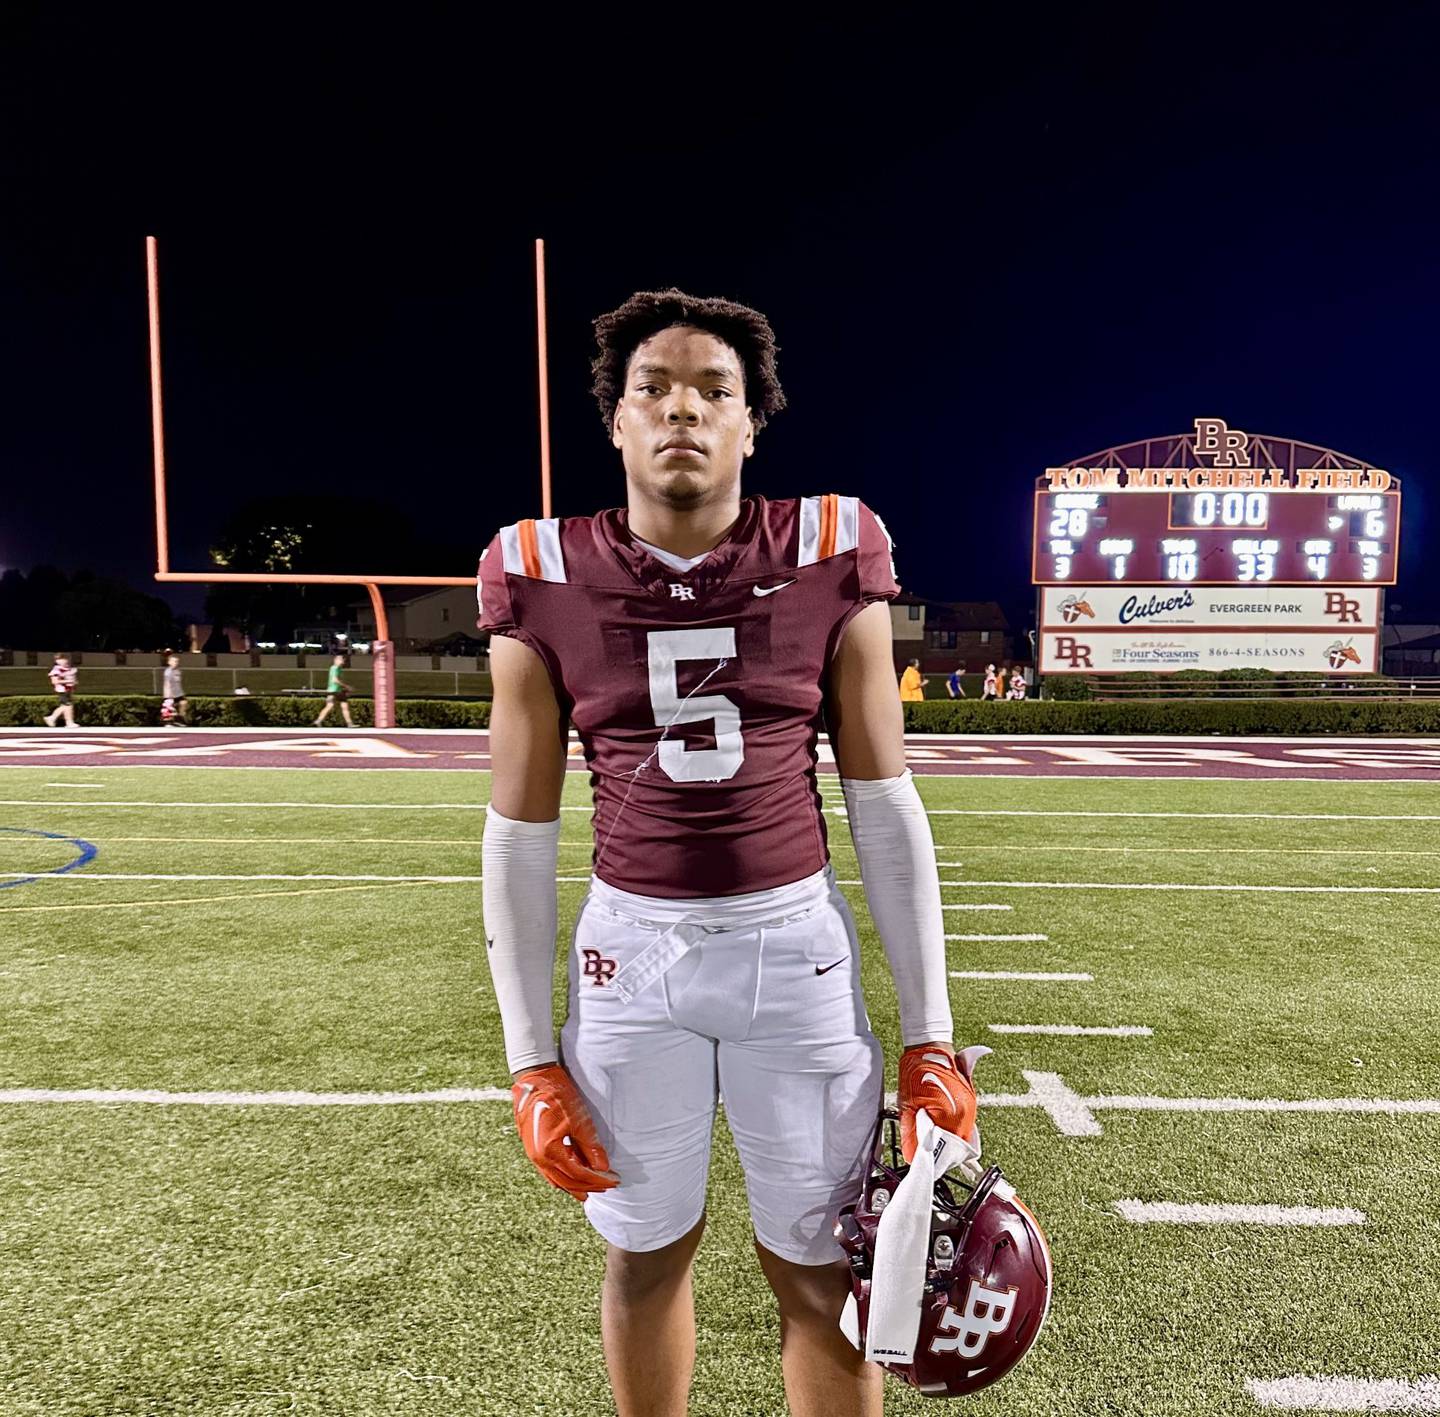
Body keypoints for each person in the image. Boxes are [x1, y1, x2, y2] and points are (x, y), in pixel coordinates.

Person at [479, 290, 974, 1417]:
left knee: (817, 1270)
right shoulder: (538, 565)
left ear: (754, 424)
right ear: (614, 421)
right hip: (628, 960)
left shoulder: (832, 545)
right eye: (653, 388)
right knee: (647, 1255)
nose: (683, 411)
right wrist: (527, 1058)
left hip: (789, 950)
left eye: (716, 391)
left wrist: (931, 1032)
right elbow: (518, 828)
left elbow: (883, 802)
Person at [313, 654, 354, 727]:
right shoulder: (335, 668)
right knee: (341, 706)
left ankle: (318, 721)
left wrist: (344, 688)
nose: (342, 661)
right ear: (335, 660)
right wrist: (346, 687)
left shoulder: (337, 669)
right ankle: (349, 723)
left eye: (342, 660)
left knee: (333, 706)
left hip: (335, 690)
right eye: (340, 660)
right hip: (335, 691)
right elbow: (335, 680)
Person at [44, 653, 78, 727]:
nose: (64, 661)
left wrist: (73, 683)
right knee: (68, 705)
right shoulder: (56, 670)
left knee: (64, 706)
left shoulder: (69, 669)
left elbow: (72, 678)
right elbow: (55, 681)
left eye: (65, 659)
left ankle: (52, 718)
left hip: (68, 690)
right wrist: (68, 681)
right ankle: (69, 722)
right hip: (62, 690)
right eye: (60, 659)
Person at [162, 654, 188, 726]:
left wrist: (182, 693)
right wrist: (168, 695)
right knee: (169, 708)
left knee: (184, 703)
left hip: (178, 693)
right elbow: (167, 684)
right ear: (169, 662)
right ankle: (169, 723)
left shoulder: (178, 671)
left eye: (177, 661)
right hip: (170, 694)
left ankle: (179, 719)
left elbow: (178, 683)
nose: (176, 663)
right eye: (174, 661)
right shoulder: (168, 672)